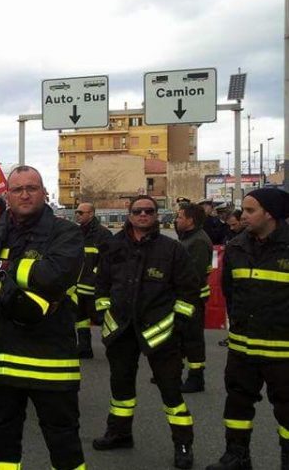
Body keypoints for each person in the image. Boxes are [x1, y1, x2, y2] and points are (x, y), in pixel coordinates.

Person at [0, 166, 86, 470]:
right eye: (17, 189)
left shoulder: (66, 233)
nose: (25, 194)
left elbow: (52, 277)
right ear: (7, 195)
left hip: (50, 363)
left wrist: (2, 271)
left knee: (64, 444)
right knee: (2, 444)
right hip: (0, 362)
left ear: (44, 192)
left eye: (31, 188)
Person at [92, 195, 200, 469]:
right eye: (137, 211)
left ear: (156, 215)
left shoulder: (172, 250)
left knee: (171, 392)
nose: (143, 215)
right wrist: (104, 313)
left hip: (161, 332)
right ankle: (119, 433)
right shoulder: (113, 246)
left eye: (148, 211)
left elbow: (189, 292)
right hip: (121, 330)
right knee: (121, 388)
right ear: (129, 215)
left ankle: (183, 444)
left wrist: (178, 326)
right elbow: (101, 284)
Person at [206, 188, 289, 470]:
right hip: (242, 347)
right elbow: (229, 290)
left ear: (271, 214)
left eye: (251, 210)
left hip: (283, 351)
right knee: (237, 405)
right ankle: (236, 456)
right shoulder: (238, 246)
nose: (243, 215)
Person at [174, 202, 214, 394]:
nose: (176, 220)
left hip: (191, 298)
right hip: (184, 297)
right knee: (180, 336)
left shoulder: (197, 241)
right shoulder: (188, 238)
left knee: (193, 338)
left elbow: (194, 276)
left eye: (180, 217)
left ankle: (196, 377)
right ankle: (174, 373)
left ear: (190, 220)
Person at [72, 202, 114, 359]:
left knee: (101, 318)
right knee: (81, 318)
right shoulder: (76, 233)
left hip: (96, 287)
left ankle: (114, 347)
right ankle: (84, 348)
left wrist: (94, 276)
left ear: (91, 214)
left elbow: (108, 260)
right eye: (77, 212)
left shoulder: (103, 234)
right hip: (78, 285)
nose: (77, 214)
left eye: (81, 212)